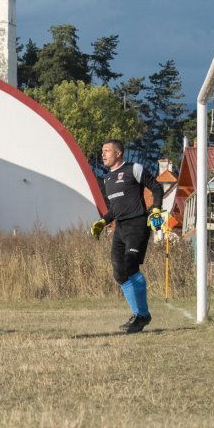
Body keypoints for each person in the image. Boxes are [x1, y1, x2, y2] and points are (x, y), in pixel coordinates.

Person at [90, 139, 166, 334]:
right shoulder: (107, 179)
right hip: (120, 228)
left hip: (138, 224)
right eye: (102, 151)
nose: (103, 154)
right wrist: (103, 222)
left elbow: (157, 188)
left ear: (119, 153)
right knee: (119, 272)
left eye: (107, 151)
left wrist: (156, 209)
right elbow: (114, 209)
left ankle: (142, 315)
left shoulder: (134, 169)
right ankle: (138, 314)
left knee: (131, 266)